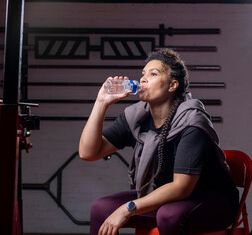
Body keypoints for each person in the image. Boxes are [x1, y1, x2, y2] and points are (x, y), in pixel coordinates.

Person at [79, 49, 239, 235]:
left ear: (172, 85)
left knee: (168, 215)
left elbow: (181, 188)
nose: (143, 79)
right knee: (101, 208)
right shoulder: (136, 117)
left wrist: (127, 208)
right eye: (143, 74)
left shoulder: (192, 121)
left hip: (211, 202)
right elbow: (88, 153)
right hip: (165, 200)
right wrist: (101, 103)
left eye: (153, 74)